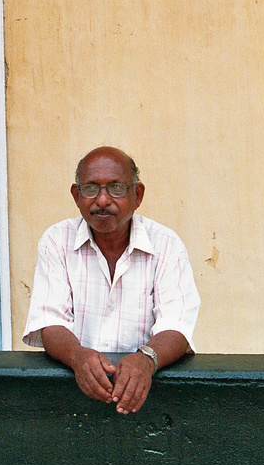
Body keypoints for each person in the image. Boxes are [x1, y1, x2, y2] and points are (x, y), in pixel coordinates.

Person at [23, 146, 200, 415]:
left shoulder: (166, 244)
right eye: (91, 188)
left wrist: (147, 360)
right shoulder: (56, 241)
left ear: (137, 195)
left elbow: (176, 325)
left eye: (116, 188)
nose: (103, 200)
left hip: (150, 404)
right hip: (71, 401)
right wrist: (77, 356)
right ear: (76, 195)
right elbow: (51, 321)